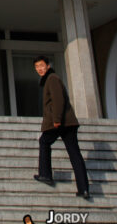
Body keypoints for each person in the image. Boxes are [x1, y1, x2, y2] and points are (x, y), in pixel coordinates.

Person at [33, 55, 90, 199]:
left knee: (44, 141)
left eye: (41, 65)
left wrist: (56, 119)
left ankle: (45, 174)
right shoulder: (50, 79)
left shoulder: (52, 79)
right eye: (37, 67)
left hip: (60, 122)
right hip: (69, 123)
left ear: (48, 65)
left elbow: (58, 100)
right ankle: (83, 189)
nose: (39, 69)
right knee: (74, 154)